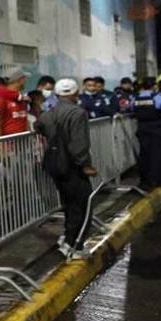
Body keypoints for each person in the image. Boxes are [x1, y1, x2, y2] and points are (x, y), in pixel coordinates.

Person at [36, 78, 98, 257]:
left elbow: (38, 126)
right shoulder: (77, 113)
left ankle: (67, 238)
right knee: (82, 205)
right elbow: (79, 144)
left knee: (68, 203)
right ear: (76, 93)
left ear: (56, 94)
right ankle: (74, 244)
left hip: (54, 164)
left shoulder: (49, 113)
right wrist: (85, 165)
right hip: (71, 165)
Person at [0, 69, 30, 137]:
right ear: (20, 80)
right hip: (8, 143)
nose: (25, 81)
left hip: (24, 142)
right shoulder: (0, 99)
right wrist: (1, 143)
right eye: (24, 79)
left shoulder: (21, 99)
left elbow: (25, 121)